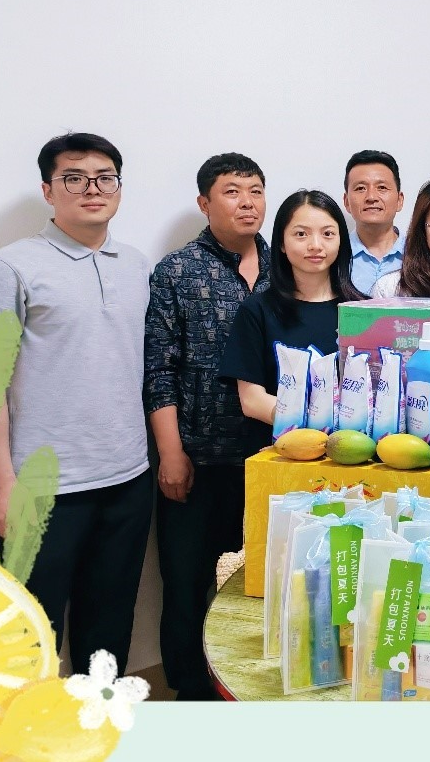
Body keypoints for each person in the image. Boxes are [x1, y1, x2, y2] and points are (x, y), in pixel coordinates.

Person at [0, 131, 152, 676]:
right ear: (48, 190)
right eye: (74, 178)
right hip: (42, 488)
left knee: (109, 631)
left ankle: (97, 719)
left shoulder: (136, 264)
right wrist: (0, 485)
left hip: (128, 476)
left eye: (105, 178)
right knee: (28, 637)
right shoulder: (10, 267)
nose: (92, 189)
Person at [143, 152, 270, 701]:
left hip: (270, 456)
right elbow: (159, 368)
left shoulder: (284, 264)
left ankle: (248, 688)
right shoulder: (177, 270)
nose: (247, 202)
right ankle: (191, 692)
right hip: (198, 455)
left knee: (257, 580)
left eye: (255, 191)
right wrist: (171, 453)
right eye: (232, 192)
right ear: (204, 203)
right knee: (189, 580)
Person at [220, 190, 365, 444]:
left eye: (328, 234)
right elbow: (252, 400)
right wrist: (311, 425)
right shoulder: (256, 310)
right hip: (281, 452)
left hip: (353, 451)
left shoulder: (363, 310)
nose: (316, 245)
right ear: (281, 244)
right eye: (301, 234)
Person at [343, 149, 405, 295]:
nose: (371, 197)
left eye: (382, 187)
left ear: (399, 200)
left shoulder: (421, 254)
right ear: (346, 202)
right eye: (360, 188)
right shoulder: (334, 256)